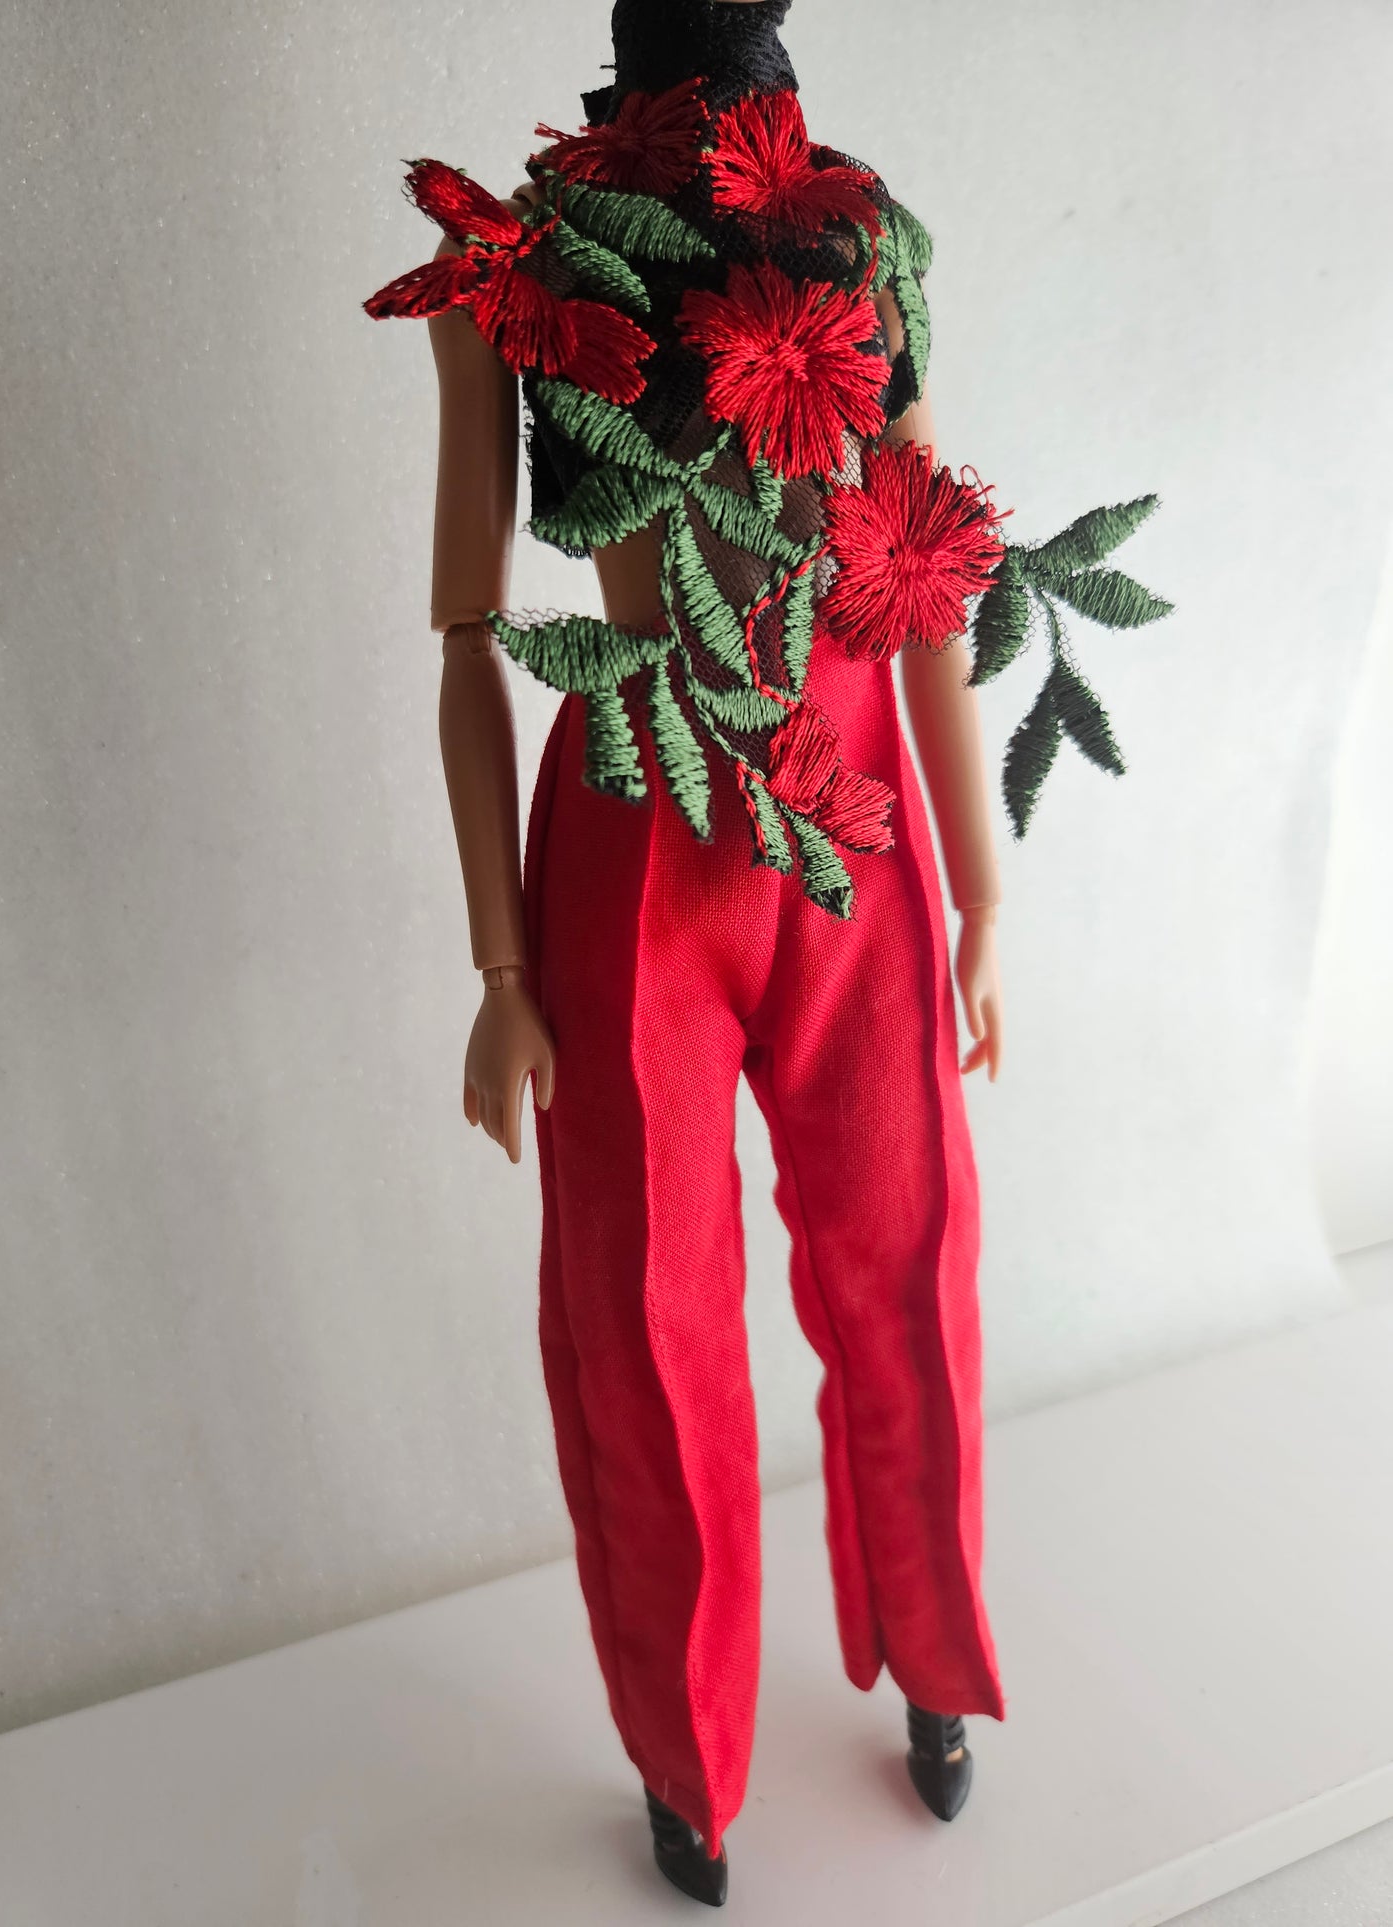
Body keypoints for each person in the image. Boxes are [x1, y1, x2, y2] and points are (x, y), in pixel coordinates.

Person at [366, 0, 1165, 1904]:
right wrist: (496, 969)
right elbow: (468, 632)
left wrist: (982, 886)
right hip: (637, 819)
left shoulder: (864, 238)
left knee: (905, 1263)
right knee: (644, 1326)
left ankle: (936, 1668)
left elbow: (926, 559)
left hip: (855, 821)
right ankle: (685, 1756)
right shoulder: (526, 261)